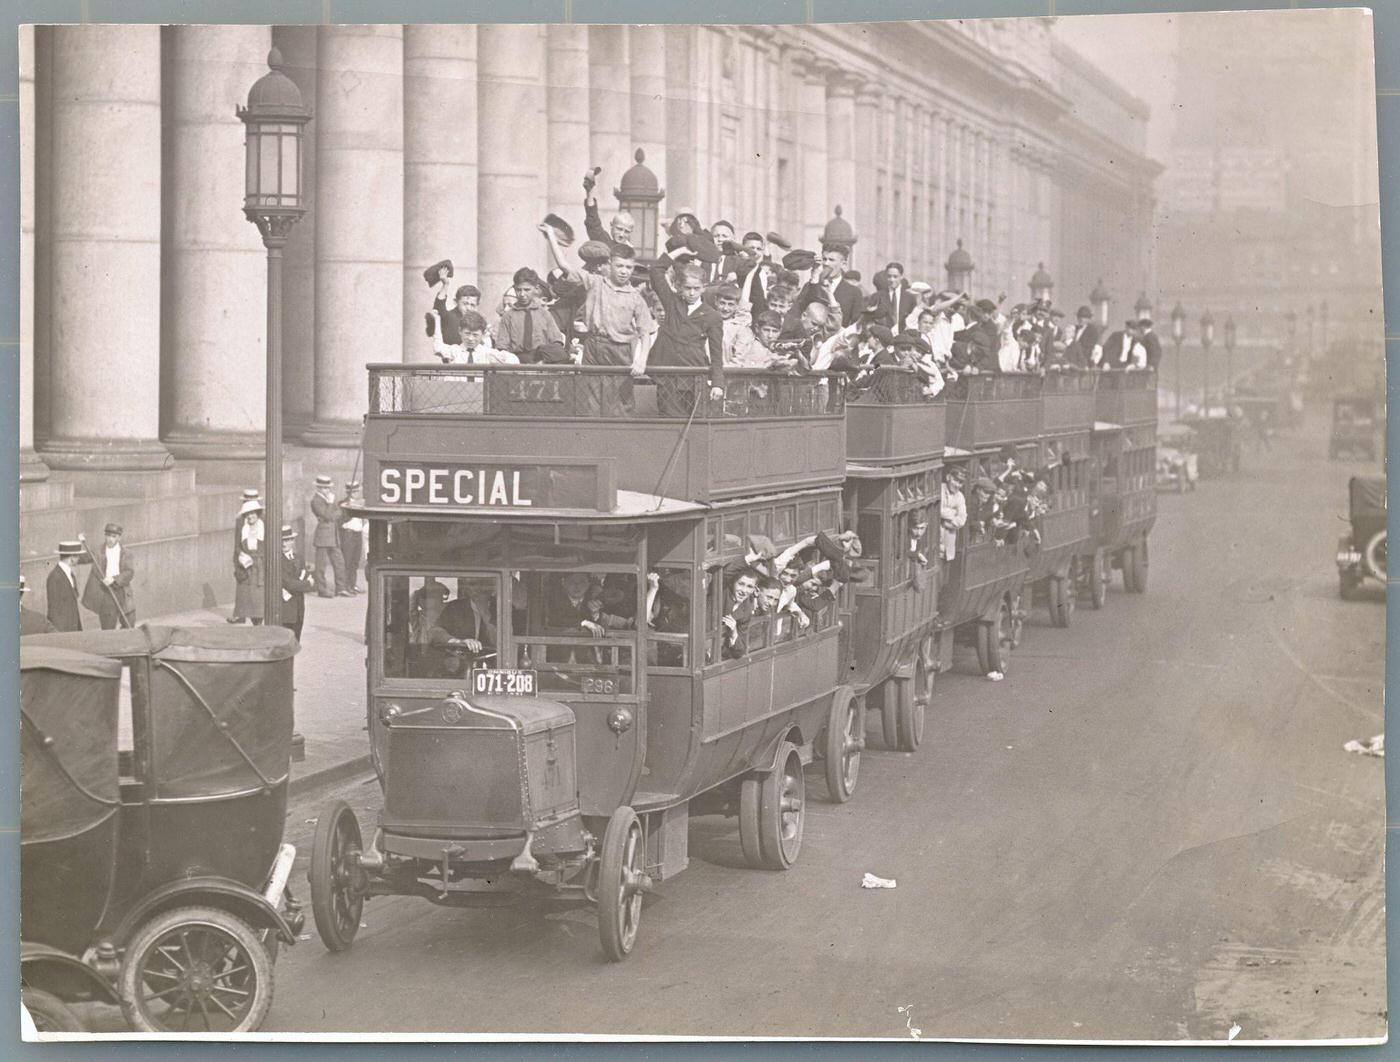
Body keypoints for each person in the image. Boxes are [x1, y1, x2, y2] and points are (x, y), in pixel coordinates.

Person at [541, 223, 655, 375]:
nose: (623, 271)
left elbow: (645, 332)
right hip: (593, 348)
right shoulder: (595, 282)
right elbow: (563, 265)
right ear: (610, 264)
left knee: (616, 397)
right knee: (589, 395)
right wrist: (550, 235)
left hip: (620, 351)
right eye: (619, 266)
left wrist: (641, 361)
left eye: (628, 267)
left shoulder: (635, 298)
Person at [640, 256, 726, 415]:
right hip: (668, 375)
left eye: (696, 288)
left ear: (704, 288)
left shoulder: (712, 316)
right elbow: (656, 272)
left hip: (694, 375)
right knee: (668, 419)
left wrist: (717, 383)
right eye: (687, 288)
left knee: (695, 420)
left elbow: (716, 353)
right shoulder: (672, 303)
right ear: (679, 287)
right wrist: (676, 253)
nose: (692, 293)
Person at [494, 267, 568, 364]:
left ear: (536, 289)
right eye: (518, 290)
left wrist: (545, 359)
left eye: (527, 290)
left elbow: (556, 341)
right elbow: (502, 347)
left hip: (541, 360)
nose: (522, 294)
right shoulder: (508, 316)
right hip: (516, 361)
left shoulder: (544, 314)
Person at [81, 522, 134, 629]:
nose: (110, 539)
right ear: (105, 536)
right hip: (106, 594)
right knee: (108, 627)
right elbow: (83, 558)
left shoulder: (126, 553)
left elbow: (129, 572)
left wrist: (114, 579)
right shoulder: (98, 551)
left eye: (113, 537)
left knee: (129, 625)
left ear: (119, 537)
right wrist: (69, 551)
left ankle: (124, 644)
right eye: (108, 536)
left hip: (122, 592)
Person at [310, 475, 351, 599]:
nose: (326, 490)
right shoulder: (316, 500)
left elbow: (339, 512)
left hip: (333, 535)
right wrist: (331, 505)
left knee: (339, 563)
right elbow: (328, 515)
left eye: (327, 488)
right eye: (323, 488)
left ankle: (341, 588)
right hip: (322, 536)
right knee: (321, 566)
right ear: (318, 488)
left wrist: (333, 510)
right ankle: (322, 590)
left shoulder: (328, 500)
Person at [582, 167, 636, 255]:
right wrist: (589, 192)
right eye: (619, 229)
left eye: (626, 231)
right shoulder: (605, 243)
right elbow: (593, 223)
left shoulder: (630, 251)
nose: (622, 235)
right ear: (611, 225)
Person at [278, 525, 317, 643]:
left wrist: (303, 581)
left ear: (292, 541)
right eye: (281, 541)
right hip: (285, 608)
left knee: (296, 641)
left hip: (299, 607)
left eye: (286, 540)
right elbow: (289, 583)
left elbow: (304, 574)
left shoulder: (298, 557)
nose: (284, 544)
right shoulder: (277, 559)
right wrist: (307, 583)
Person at [232, 498, 266, 625]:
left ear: (257, 514)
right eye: (247, 514)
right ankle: (254, 626)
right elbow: (237, 546)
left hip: (261, 569)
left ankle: (257, 626)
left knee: (259, 602)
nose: (250, 516)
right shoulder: (244, 529)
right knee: (248, 602)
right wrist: (241, 555)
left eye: (253, 513)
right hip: (247, 569)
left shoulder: (264, 528)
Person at [45, 540, 86, 632]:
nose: (79, 559)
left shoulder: (69, 574)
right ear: (71, 557)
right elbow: (53, 609)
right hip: (63, 630)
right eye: (77, 556)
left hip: (72, 628)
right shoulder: (55, 577)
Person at [339, 481, 366, 594]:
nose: (355, 494)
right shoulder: (343, 504)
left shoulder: (360, 503)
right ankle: (345, 586)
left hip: (357, 534)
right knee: (348, 561)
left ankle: (352, 584)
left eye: (356, 491)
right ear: (348, 492)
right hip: (348, 534)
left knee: (355, 561)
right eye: (352, 492)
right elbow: (341, 520)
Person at [876, 261, 917, 330]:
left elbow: (914, 320)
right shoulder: (878, 296)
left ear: (901, 277)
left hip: (904, 336)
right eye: (889, 276)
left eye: (895, 276)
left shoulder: (910, 298)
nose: (892, 280)